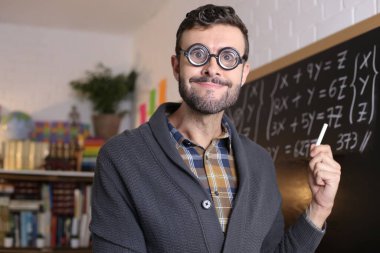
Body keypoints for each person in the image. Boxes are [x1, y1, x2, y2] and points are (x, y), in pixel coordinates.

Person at [90, 4, 341, 253]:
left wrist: (319, 207)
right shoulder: (121, 157)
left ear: (243, 73)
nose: (213, 68)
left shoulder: (260, 163)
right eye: (198, 54)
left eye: (228, 57)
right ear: (177, 66)